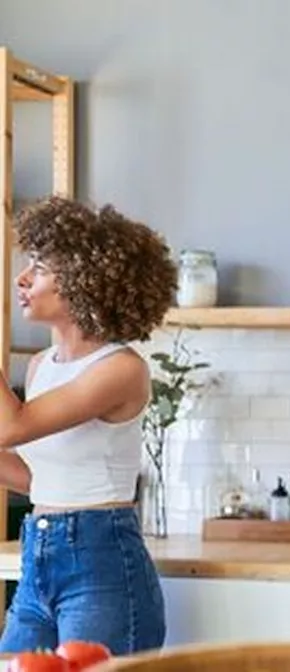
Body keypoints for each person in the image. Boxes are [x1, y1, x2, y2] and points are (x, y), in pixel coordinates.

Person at [0, 196, 177, 654]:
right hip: (38, 558)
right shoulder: (40, 365)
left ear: (83, 281)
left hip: (101, 563)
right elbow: (43, 480)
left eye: (38, 268)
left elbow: (10, 428)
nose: (22, 279)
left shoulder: (120, 369)